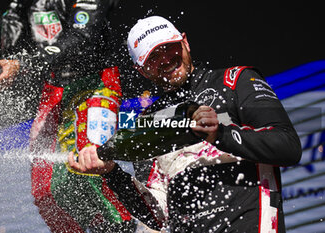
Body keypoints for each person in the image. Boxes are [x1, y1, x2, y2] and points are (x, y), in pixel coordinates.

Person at [68, 15, 302, 232]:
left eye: (169, 48)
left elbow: (288, 146)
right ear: (141, 71)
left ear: (185, 42)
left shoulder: (235, 81)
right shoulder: (146, 124)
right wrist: (112, 174)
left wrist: (220, 134)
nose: (166, 60)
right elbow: (158, 216)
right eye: (153, 58)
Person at [0, 0, 136, 232]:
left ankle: (120, 227)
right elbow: (11, 48)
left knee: (91, 166)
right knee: (46, 189)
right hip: (54, 89)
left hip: (95, 83)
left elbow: (82, 39)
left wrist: (25, 62)